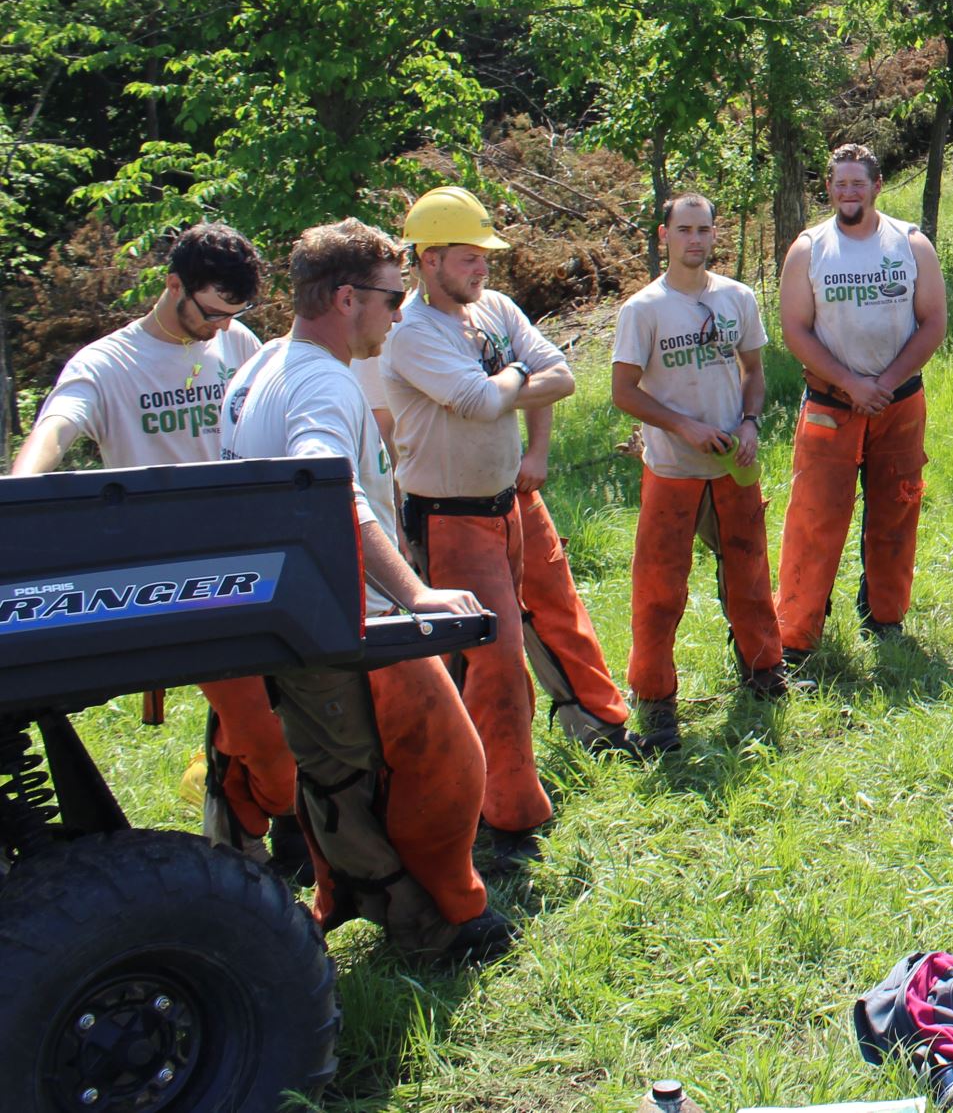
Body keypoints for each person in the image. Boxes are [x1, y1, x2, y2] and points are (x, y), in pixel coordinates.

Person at [221, 218, 512, 964]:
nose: (396, 311)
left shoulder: (260, 369)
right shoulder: (322, 380)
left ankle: (380, 908)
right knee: (428, 769)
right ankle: (434, 927)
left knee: (340, 775)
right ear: (346, 297)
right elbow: (330, 491)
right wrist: (414, 592)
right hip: (342, 615)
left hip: (290, 614)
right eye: (390, 297)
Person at [11, 223, 305, 876]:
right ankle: (251, 820)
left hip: (264, 559)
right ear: (173, 284)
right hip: (187, 580)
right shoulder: (107, 364)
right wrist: (17, 490)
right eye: (211, 311)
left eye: (234, 314)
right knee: (270, 749)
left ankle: (261, 844)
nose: (220, 327)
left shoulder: (236, 341)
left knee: (301, 714)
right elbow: (57, 425)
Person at [372, 185, 642, 868]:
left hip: (510, 499)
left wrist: (525, 421)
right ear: (428, 260)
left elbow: (562, 377)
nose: (482, 269)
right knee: (491, 664)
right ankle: (506, 817)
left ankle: (601, 722)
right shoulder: (410, 334)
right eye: (468, 258)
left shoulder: (492, 308)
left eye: (484, 256)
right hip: (449, 516)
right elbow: (473, 397)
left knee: (557, 610)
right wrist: (516, 374)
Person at [611, 193, 791, 751]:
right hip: (672, 468)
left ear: (715, 236)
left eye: (704, 230)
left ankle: (763, 671)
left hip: (733, 463)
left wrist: (750, 422)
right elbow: (623, 392)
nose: (695, 239)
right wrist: (682, 427)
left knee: (750, 571)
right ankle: (656, 698)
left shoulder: (737, 297)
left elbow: (755, 371)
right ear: (664, 236)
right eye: (684, 230)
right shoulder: (644, 308)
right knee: (660, 588)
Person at [776, 143, 947, 649]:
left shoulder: (911, 244)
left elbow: (933, 322)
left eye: (858, 182)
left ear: (877, 186)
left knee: (897, 508)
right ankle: (798, 634)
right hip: (831, 403)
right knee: (813, 519)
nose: (848, 191)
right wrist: (852, 383)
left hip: (899, 402)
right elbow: (795, 330)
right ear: (829, 189)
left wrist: (886, 382)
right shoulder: (809, 248)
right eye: (839, 183)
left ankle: (885, 618)